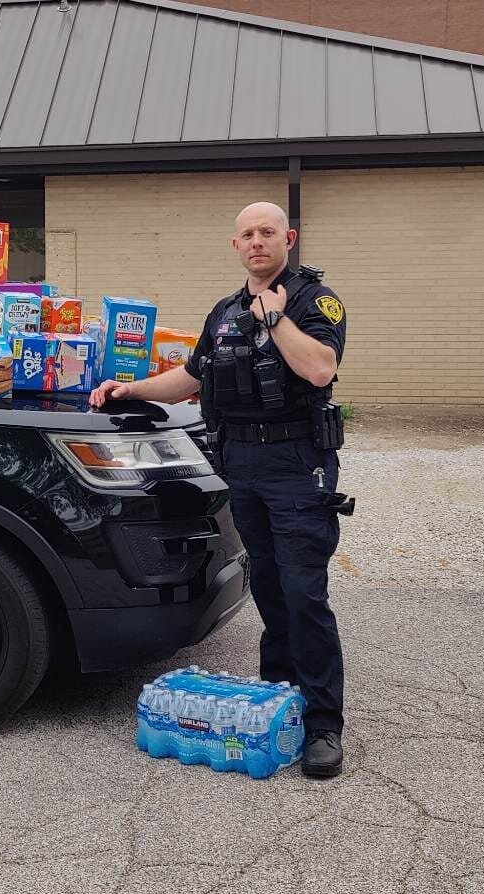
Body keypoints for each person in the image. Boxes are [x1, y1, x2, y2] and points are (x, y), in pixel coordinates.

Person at [89, 202, 351, 779]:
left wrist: (276, 320)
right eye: (247, 234)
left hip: (297, 463)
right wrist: (130, 389)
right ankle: (281, 698)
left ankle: (322, 725)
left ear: (288, 238)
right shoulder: (225, 312)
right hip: (242, 463)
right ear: (236, 245)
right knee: (271, 588)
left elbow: (319, 369)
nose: (257, 241)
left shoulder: (313, 302)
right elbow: (192, 376)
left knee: (304, 591)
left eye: (267, 232)